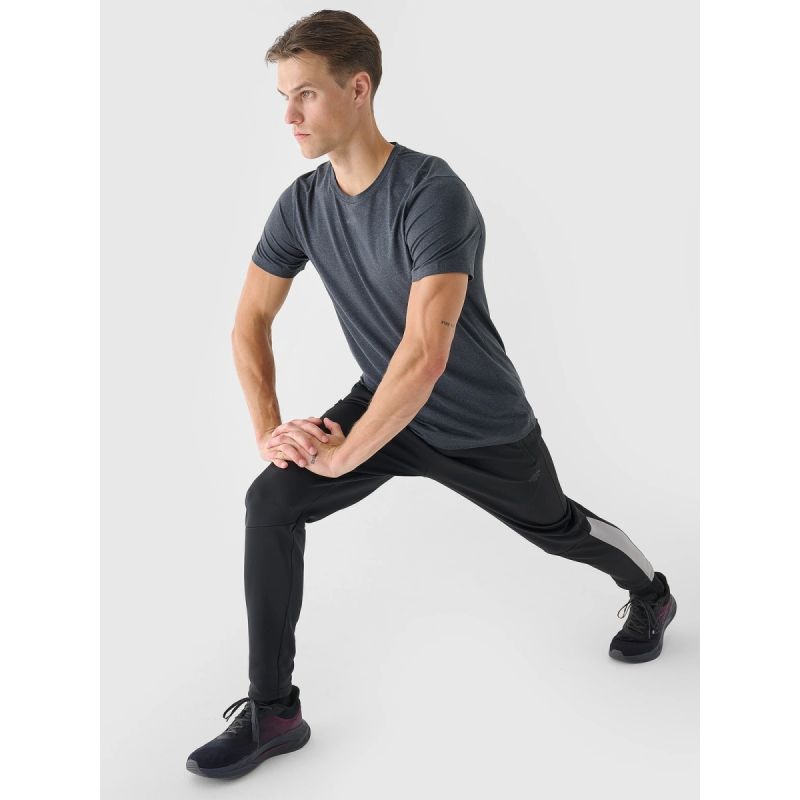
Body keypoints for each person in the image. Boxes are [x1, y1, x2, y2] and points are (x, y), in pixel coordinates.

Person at [186, 9, 677, 781]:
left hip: (477, 420)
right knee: (271, 501)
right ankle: (273, 710)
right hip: (381, 400)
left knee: (558, 528)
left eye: (305, 95)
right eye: (283, 98)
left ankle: (652, 591)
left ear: (358, 89)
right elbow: (250, 320)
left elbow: (426, 352)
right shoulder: (302, 205)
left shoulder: (431, 192)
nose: (289, 117)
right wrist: (271, 433)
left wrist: (345, 453)